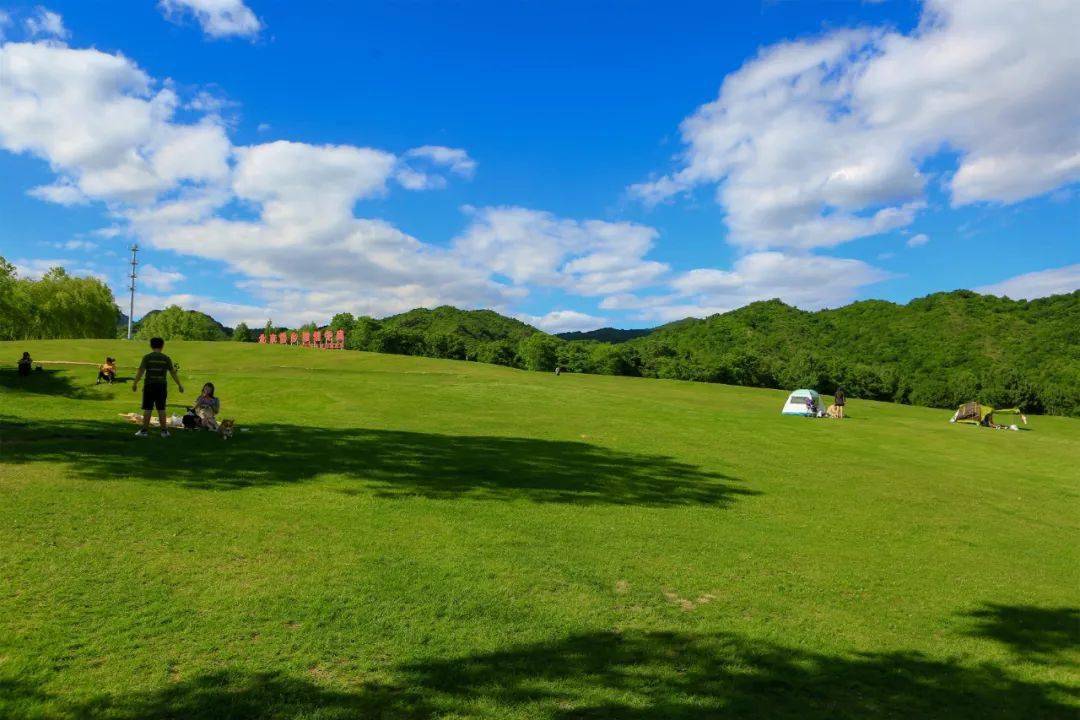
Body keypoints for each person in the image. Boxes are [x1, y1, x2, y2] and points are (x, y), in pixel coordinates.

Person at [131, 337, 183, 437]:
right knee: (161, 408)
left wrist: (135, 383)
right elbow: (173, 373)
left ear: (151, 346)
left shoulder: (147, 357)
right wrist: (179, 385)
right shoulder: (166, 358)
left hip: (149, 385)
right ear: (162, 346)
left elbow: (141, 371)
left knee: (148, 408)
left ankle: (144, 431)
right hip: (161, 386)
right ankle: (164, 431)